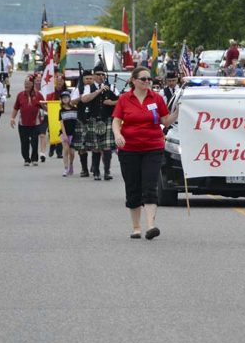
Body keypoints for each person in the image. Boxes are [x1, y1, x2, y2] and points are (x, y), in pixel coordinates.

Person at [112, 67, 178, 240]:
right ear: (133, 81)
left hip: (153, 147)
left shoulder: (156, 98)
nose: (148, 82)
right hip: (129, 149)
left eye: (150, 79)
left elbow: (165, 120)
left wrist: (178, 112)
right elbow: (116, 121)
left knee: (150, 185)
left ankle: (151, 226)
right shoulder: (124, 99)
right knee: (133, 187)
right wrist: (118, 135)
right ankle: (136, 227)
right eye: (143, 79)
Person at [70, 70, 102, 178]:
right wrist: (81, 96)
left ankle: (96, 169)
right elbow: (72, 102)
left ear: (93, 79)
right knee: (81, 146)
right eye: (86, 79)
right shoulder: (78, 89)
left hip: (93, 118)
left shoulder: (98, 88)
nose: (88, 81)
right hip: (81, 118)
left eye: (90, 78)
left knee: (96, 145)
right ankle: (84, 169)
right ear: (82, 79)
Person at [10, 76, 45, 166]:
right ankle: (26, 159)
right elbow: (16, 108)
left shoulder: (38, 95)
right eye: (25, 83)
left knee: (34, 142)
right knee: (24, 142)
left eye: (28, 84)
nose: (26, 85)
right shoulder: (20, 95)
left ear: (32, 84)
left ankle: (34, 159)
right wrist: (12, 118)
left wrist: (43, 105)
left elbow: (46, 108)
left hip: (35, 123)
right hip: (23, 124)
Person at [93, 64, 119, 180]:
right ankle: (96, 171)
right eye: (98, 74)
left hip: (108, 119)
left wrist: (111, 103)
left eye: (103, 74)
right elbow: (84, 99)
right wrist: (99, 91)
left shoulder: (111, 87)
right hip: (93, 119)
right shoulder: (88, 87)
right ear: (94, 76)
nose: (101, 77)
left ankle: (107, 171)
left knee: (107, 147)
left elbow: (120, 101)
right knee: (96, 147)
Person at [58, 91, 77, 176]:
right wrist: (64, 135)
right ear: (61, 100)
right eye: (63, 98)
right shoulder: (61, 111)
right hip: (65, 133)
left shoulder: (75, 109)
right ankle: (66, 168)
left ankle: (71, 164)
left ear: (69, 98)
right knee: (65, 150)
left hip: (74, 133)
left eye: (66, 97)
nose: (65, 99)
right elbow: (61, 123)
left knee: (72, 152)